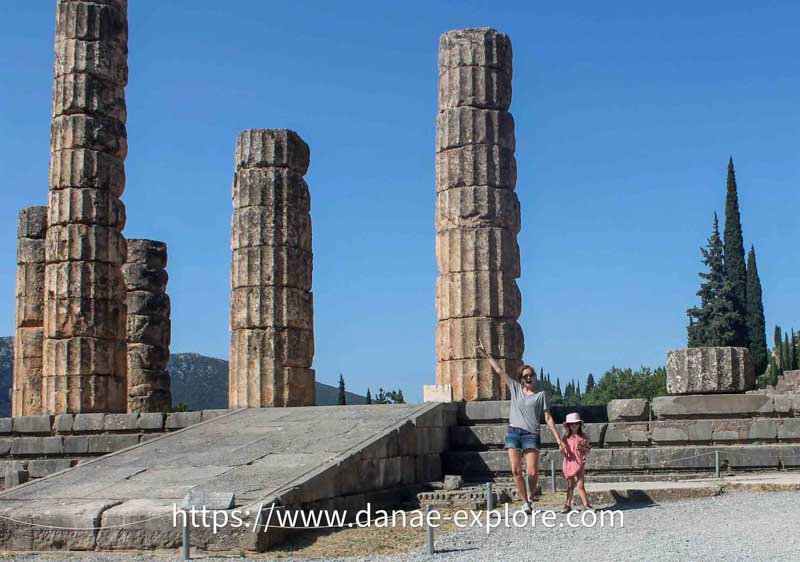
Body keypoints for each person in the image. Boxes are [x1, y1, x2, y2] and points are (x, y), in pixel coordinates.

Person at [477, 341, 564, 514]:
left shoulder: (541, 395)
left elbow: (547, 417)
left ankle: (531, 497)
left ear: (535, 377)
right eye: (525, 376)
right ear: (521, 380)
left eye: (531, 374)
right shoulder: (515, 389)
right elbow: (500, 371)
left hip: (531, 434)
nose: (529, 377)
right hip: (514, 432)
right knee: (516, 470)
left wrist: (558, 439)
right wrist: (487, 354)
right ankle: (525, 502)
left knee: (531, 472)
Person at [560, 412, 593, 513]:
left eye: (576, 423)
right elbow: (561, 449)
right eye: (571, 424)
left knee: (580, 485)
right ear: (568, 426)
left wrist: (584, 447)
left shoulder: (584, 437)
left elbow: (588, 449)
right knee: (570, 485)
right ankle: (567, 504)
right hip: (569, 462)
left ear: (579, 424)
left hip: (580, 463)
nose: (574, 425)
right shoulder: (565, 438)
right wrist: (563, 449)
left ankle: (586, 504)